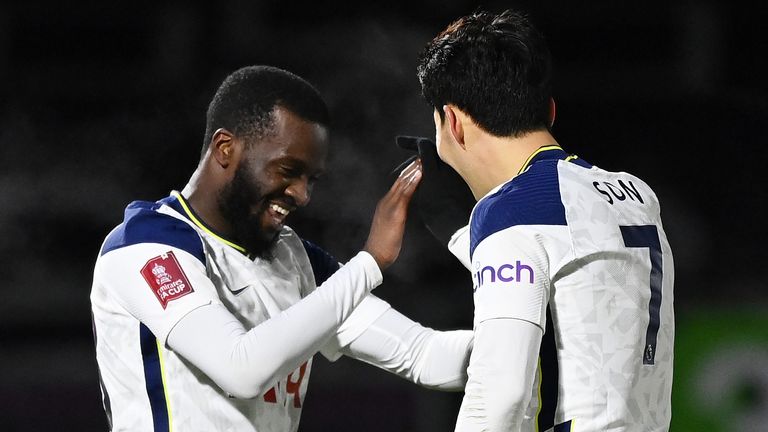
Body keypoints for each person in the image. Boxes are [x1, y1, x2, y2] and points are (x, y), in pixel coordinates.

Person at [89, 65, 473, 432]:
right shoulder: (145, 246)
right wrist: (369, 263)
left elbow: (425, 355)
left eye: (312, 179)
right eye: (288, 170)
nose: (302, 195)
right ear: (226, 148)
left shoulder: (295, 259)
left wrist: (523, 338)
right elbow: (240, 370)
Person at [414, 8, 675, 432]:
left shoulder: (512, 211)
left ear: (454, 124)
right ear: (549, 111)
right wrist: (462, 235)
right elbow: (572, 275)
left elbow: (500, 394)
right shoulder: (636, 195)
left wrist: (483, 222)